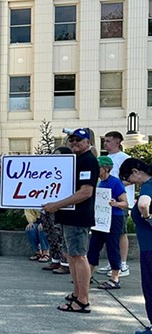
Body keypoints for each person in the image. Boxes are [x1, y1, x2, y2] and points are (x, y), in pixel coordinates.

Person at [42, 127, 99, 314]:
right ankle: (77, 293)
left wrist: (57, 204)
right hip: (68, 216)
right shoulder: (75, 161)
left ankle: (83, 300)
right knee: (72, 257)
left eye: (79, 140)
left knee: (79, 257)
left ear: (88, 142)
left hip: (78, 217)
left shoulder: (88, 161)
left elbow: (85, 192)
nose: (74, 143)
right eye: (71, 140)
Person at [118, 158, 152, 334]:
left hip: (149, 247)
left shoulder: (147, 186)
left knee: (150, 286)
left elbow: (144, 203)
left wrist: (146, 215)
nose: (129, 182)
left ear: (136, 171)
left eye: (128, 177)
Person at [87, 156, 128, 290]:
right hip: (100, 219)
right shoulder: (99, 183)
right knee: (94, 246)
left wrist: (115, 203)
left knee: (112, 246)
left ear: (105, 168)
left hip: (114, 217)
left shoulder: (115, 182)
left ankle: (115, 278)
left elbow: (125, 203)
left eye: (98, 167)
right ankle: (88, 275)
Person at [98, 131, 131, 278]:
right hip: (105, 203)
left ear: (117, 142)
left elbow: (132, 178)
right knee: (108, 234)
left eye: (108, 141)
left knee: (121, 233)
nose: (105, 144)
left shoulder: (125, 158)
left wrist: (115, 185)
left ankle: (123, 264)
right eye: (104, 141)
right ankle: (113, 262)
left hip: (120, 201)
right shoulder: (106, 158)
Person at [40, 146, 71, 274]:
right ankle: (55, 260)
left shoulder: (69, 170)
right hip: (46, 207)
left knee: (60, 236)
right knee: (51, 235)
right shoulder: (48, 170)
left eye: (58, 155)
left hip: (61, 207)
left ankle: (65, 264)